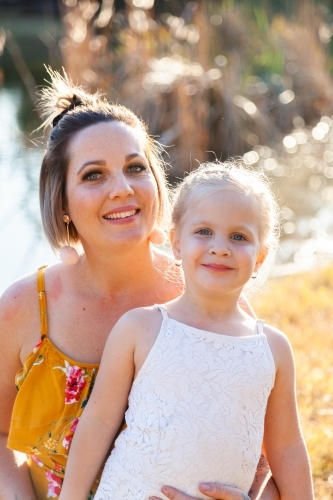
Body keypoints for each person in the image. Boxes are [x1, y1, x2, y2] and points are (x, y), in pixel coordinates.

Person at [0, 69, 279, 500]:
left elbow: (257, 450)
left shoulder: (210, 298)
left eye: (135, 168)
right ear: (64, 203)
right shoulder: (23, 308)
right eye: (94, 175)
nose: (122, 189)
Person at [59, 162, 314, 500]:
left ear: (261, 258)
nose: (220, 247)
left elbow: (287, 449)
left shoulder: (272, 348)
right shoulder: (141, 328)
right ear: (177, 243)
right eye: (204, 231)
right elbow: (99, 423)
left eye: (238, 237)